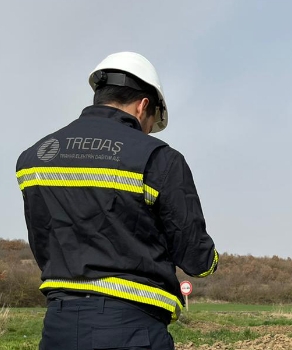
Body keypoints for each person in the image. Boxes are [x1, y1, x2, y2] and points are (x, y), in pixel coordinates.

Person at [15, 51, 218, 349]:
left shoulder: (34, 158)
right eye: (151, 122)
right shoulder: (160, 159)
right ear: (143, 106)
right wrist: (210, 262)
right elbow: (196, 258)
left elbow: (43, 241)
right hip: (132, 327)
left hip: (58, 327)